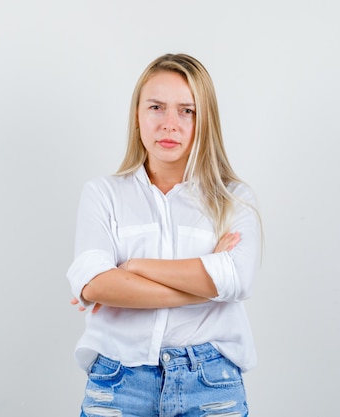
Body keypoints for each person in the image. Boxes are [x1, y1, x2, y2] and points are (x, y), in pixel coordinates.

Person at [66, 53, 262, 417]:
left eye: (187, 111)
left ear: (205, 121)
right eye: (157, 107)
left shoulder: (234, 200)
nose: (170, 124)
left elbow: (237, 278)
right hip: (118, 382)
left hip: (211, 384)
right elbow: (94, 284)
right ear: (137, 117)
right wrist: (203, 285)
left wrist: (135, 267)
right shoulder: (102, 194)